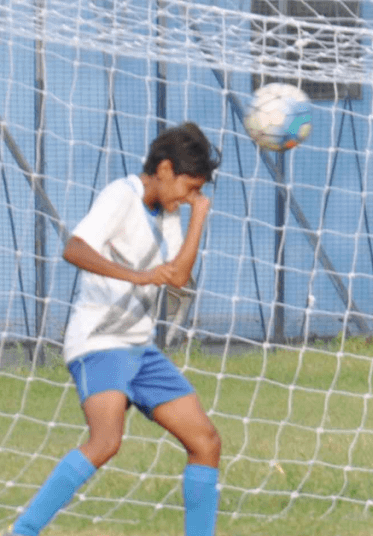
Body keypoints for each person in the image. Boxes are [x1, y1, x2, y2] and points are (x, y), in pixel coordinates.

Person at [4, 123, 222, 536]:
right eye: (188, 187)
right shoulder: (121, 195)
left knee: (206, 442)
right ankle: (23, 531)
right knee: (106, 442)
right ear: (165, 169)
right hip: (99, 342)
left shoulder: (172, 213)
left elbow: (177, 276)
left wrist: (198, 217)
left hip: (140, 349)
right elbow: (74, 249)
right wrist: (137, 276)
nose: (189, 196)